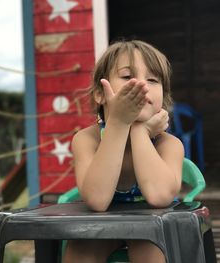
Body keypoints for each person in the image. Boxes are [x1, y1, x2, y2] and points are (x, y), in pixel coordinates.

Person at [63, 40, 184, 263]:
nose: (142, 85)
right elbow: (97, 201)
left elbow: (159, 196)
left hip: (153, 230)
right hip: (100, 228)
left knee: (152, 249)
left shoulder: (169, 144)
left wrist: (139, 130)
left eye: (153, 80)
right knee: (80, 250)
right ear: (100, 94)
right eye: (128, 77)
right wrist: (119, 123)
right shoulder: (86, 140)